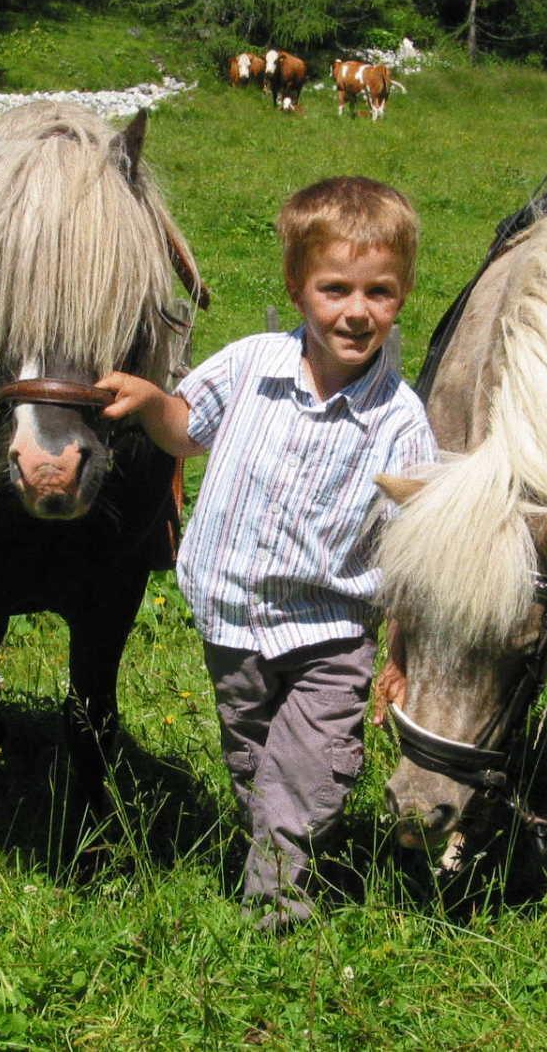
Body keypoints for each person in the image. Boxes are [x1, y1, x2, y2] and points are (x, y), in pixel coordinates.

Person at [97, 176, 436, 931]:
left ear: (404, 291)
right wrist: (154, 402)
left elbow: (415, 550)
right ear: (295, 284)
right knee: (252, 760)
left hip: (331, 632)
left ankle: (276, 912)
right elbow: (189, 428)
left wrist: (402, 651)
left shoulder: (402, 421)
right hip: (233, 621)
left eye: (379, 291)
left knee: (308, 771)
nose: (356, 310)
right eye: (335, 287)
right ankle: (282, 844)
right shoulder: (251, 364)